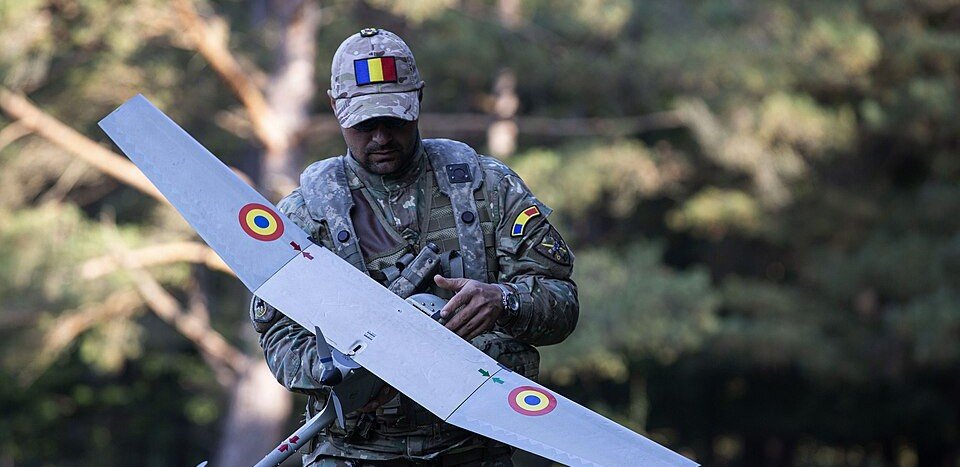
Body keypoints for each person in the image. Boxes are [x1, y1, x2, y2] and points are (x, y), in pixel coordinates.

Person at [250, 28, 579, 466]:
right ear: (335, 108)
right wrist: (334, 371)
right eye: (365, 124)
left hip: (470, 448)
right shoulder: (305, 214)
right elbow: (277, 333)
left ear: (418, 100)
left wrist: (504, 301)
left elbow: (562, 302)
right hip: (353, 453)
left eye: (394, 119)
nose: (381, 137)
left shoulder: (488, 189)